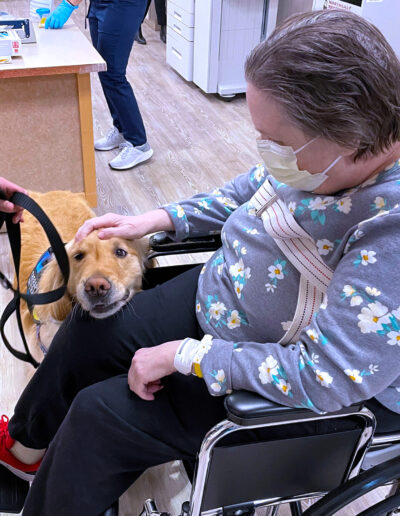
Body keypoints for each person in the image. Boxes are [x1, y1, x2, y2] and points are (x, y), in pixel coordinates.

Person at [1, 9, 400, 515]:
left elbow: (329, 374)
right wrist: (155, 219)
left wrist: (183, 357)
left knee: (98, 414)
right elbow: (247, 191)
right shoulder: (320, 162)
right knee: (88, 334)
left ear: (350, 133)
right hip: (223, 300)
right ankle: (21, 452)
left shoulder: (389, 230)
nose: (265, 152)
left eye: (277, 142)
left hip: (281, 374)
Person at [44, 0, 153, 171]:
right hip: (99, 4)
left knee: (114, 74)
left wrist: (69, 3)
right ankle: (122, 130)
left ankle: (139, 143)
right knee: (104, 69)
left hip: (122, 6)